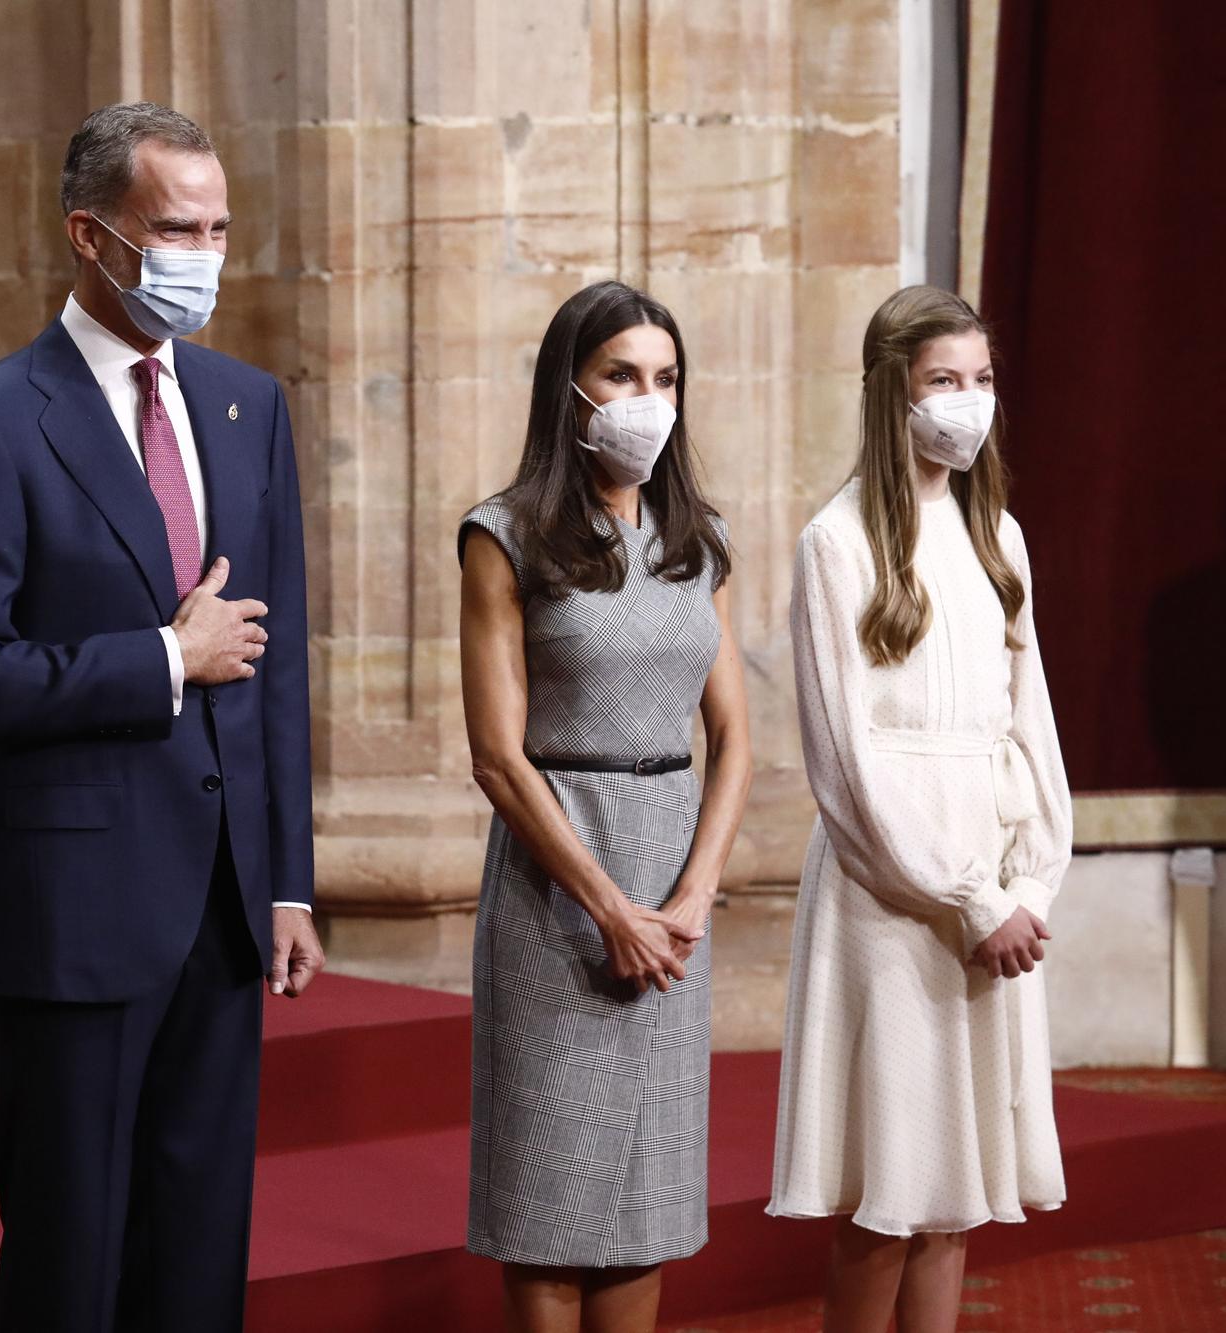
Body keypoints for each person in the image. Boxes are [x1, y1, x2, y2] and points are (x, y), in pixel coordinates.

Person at [0, 102, 320, 1333]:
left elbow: (277, 660)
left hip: (225, 904)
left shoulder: (247, 405)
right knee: (70, 1256)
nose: (202, 253)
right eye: (173, 229)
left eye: (218, 227)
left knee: (200, 1253)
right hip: (74, 906)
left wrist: (286, 879)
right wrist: (160, 658)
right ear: (90, 235)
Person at [768, 285, 1072, 1332]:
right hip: (892, 897)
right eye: (942, 381)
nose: (966, 401)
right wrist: (962, 897)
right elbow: (845, 765)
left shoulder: (999, 536)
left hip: (991, 884)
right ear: (889, 396)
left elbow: (1029, 727)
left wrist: (1027, 877)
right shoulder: (836, 541)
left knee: (954, 1199)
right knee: (888, 1192)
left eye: (980, 380)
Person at [458, 280, 752, 1333]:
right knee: (549, 1202)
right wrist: (607, 908)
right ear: (569, 391)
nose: (647, 399)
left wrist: (692, 895)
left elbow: (734, 737)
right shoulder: (503, 535)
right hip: (556, 887)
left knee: (646, 1194)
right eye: (621, 375)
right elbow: (495, 755)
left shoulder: (698, 538)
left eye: (664, 378)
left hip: (674, 887)